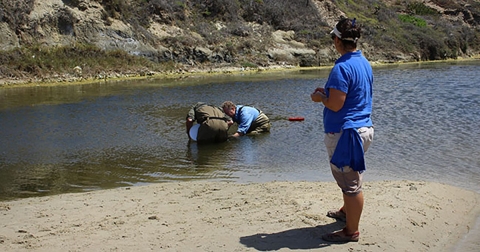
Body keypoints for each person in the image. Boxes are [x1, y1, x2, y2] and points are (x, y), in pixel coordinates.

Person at [310, 18, 374, 243]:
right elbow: (351, 97)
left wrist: (320, 98)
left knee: (351, 185)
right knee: (352, 177)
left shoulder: (341, 67)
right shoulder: (363, 63)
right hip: (362, 129)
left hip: (347, 134)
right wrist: (327, 94)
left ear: (338, 40)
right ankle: (346, 212)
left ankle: (351, 231)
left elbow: (336, 104)